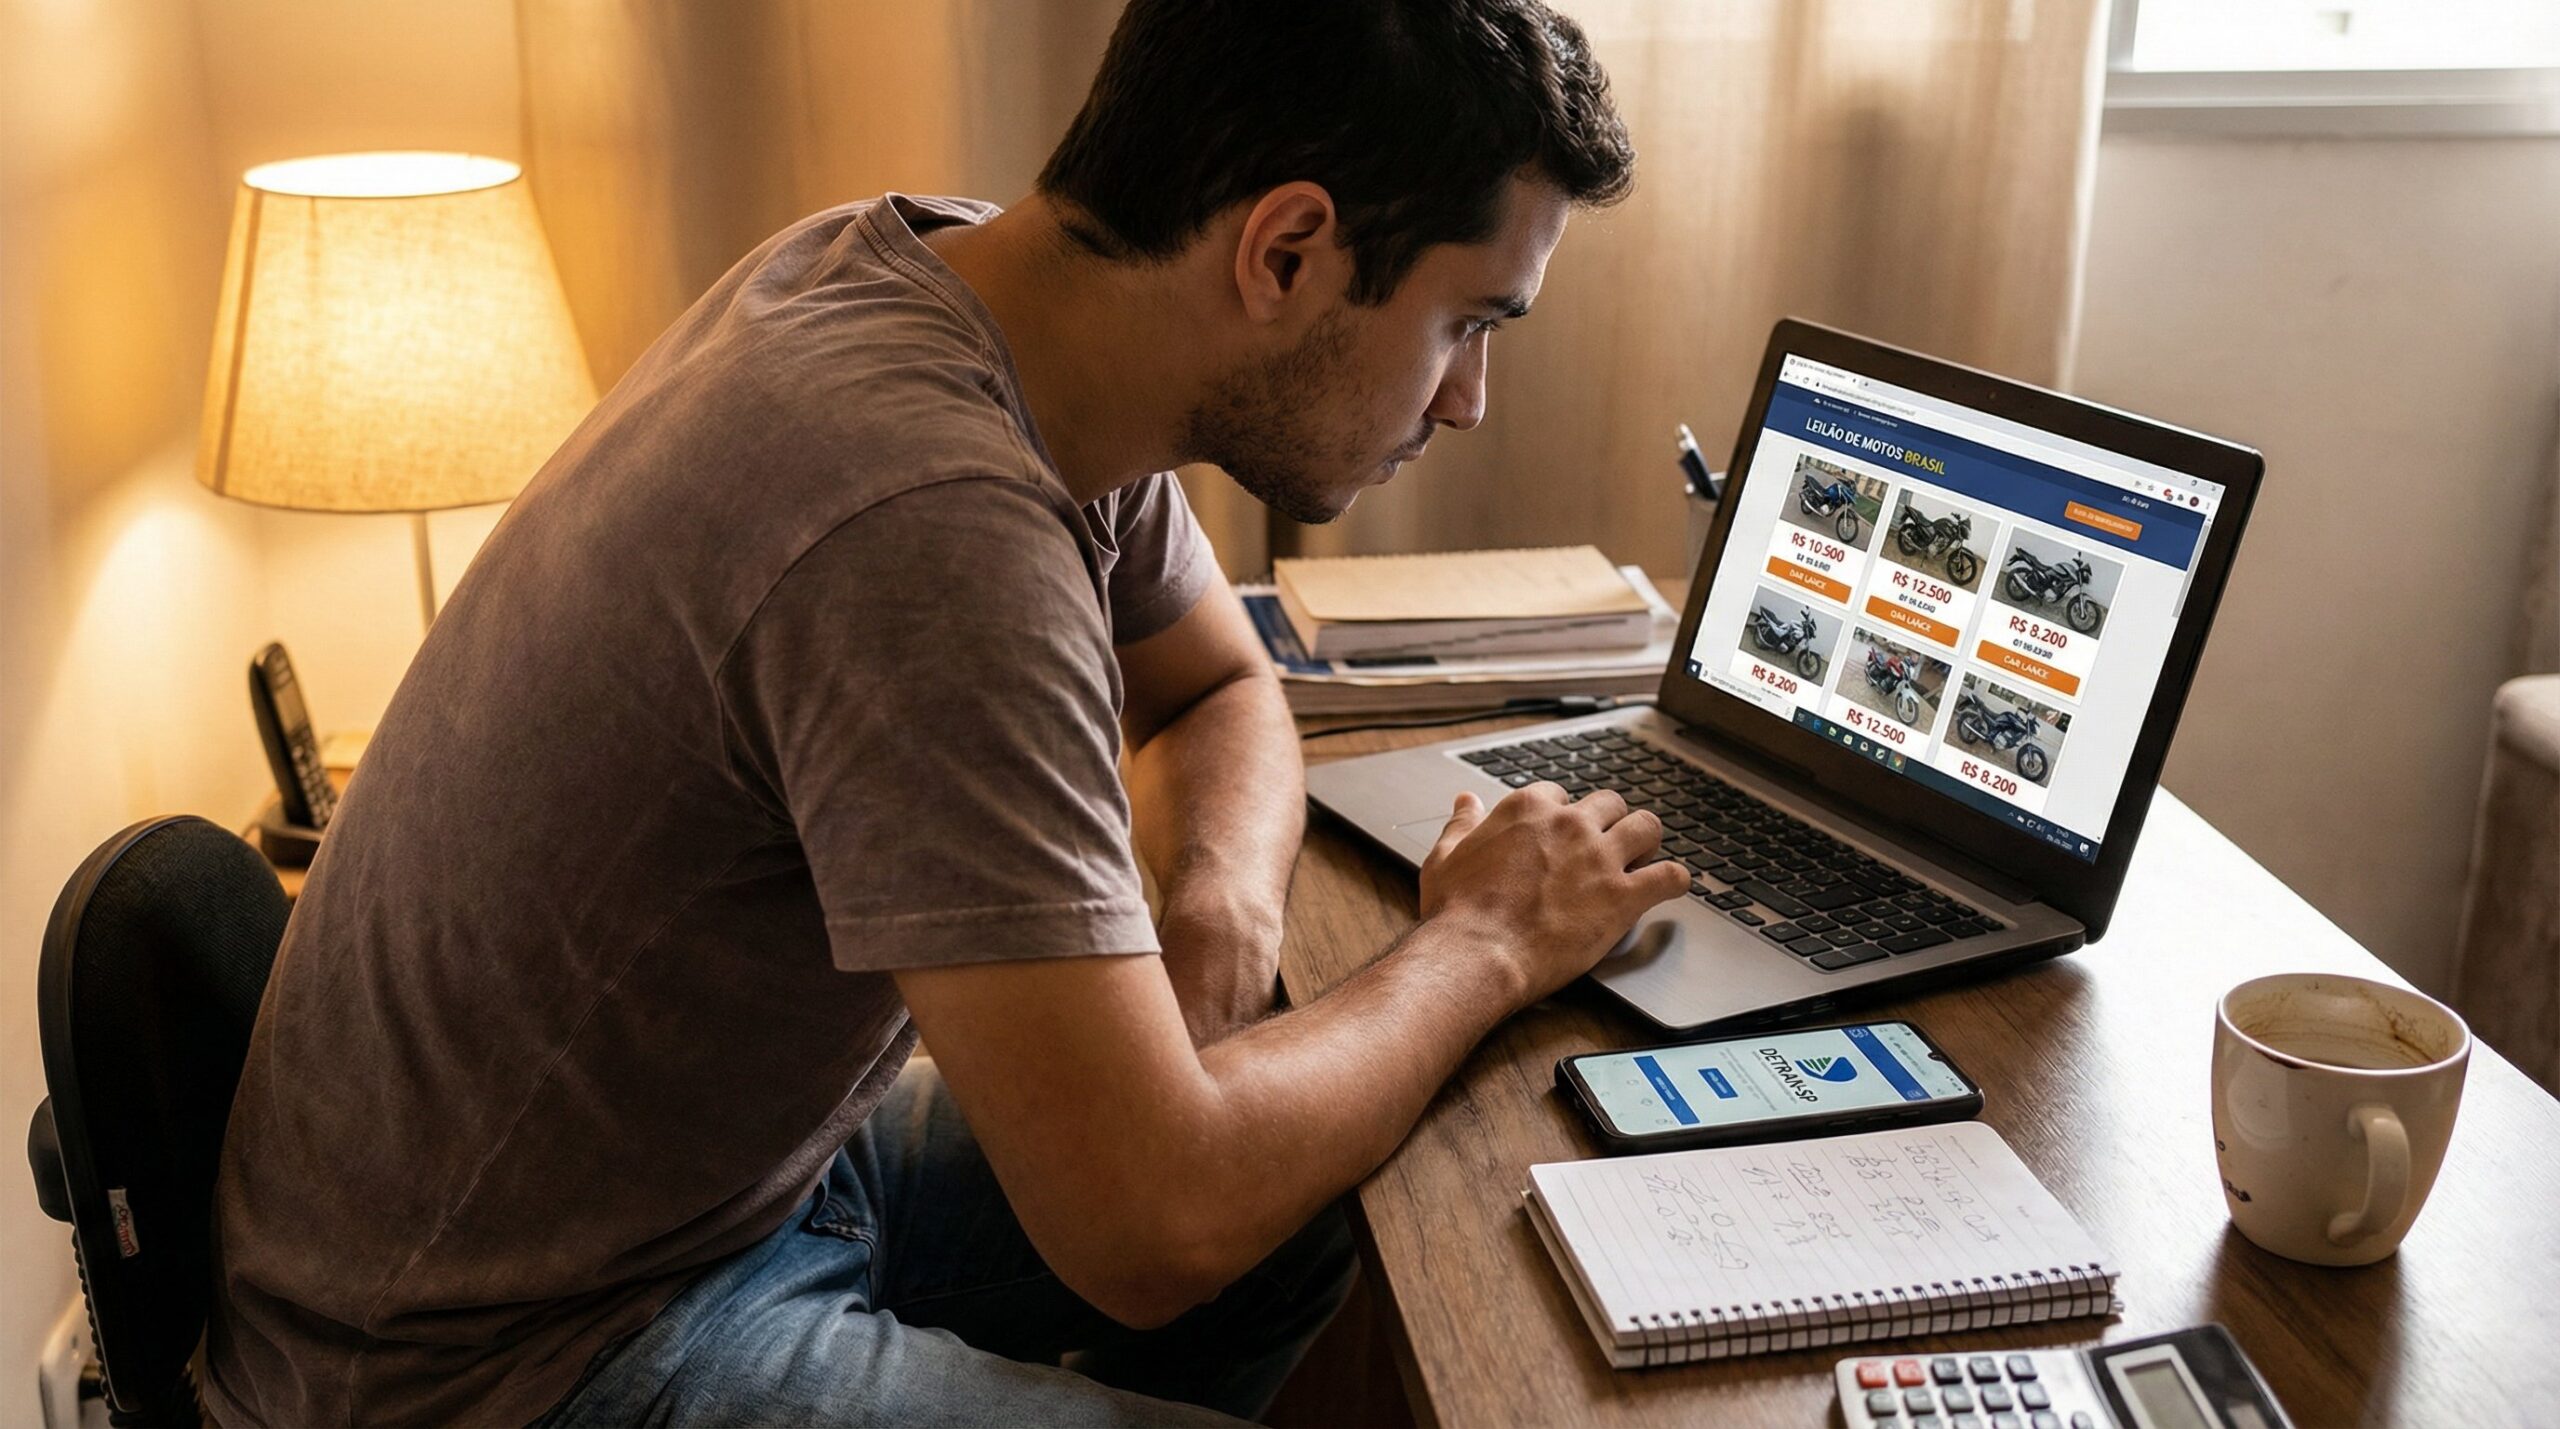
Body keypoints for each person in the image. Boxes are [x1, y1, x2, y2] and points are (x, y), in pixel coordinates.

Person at [206, 1, 1660, 1423]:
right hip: (507, 1357)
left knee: (1309, 1208)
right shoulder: (926, 520)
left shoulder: (974, 297)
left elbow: (1220, 684)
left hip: (732, 1183)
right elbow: (1151, 1224)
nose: (1469, 399)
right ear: (1284, 250)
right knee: (1229, 1200)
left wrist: (1216, 915)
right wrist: (1486, 940)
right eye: (1469, 322)